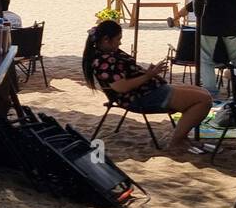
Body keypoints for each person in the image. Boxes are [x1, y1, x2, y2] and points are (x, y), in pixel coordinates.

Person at [82, 19, 212, 154]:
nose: (120, 43)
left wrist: (147, 73)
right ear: (106, 40)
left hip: (148, 90)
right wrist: (148, 76)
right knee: (203, 100)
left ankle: (182, 137)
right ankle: (176, 141)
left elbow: (128, 73)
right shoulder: (104, 61)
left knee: (203, 93)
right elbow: (121, 87)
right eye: (118, 39)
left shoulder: (108, 53)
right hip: (141, 97)